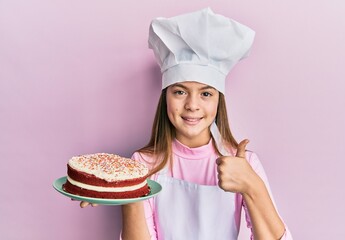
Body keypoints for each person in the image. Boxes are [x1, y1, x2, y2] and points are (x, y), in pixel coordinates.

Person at [82, 8, 293, 240]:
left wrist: (252, 186)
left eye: (205, 94)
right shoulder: (142, 164)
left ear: (218, 101)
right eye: (180, 92)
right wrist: (129, 192)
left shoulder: (244, 162)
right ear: (166, 96)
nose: (192, 105)